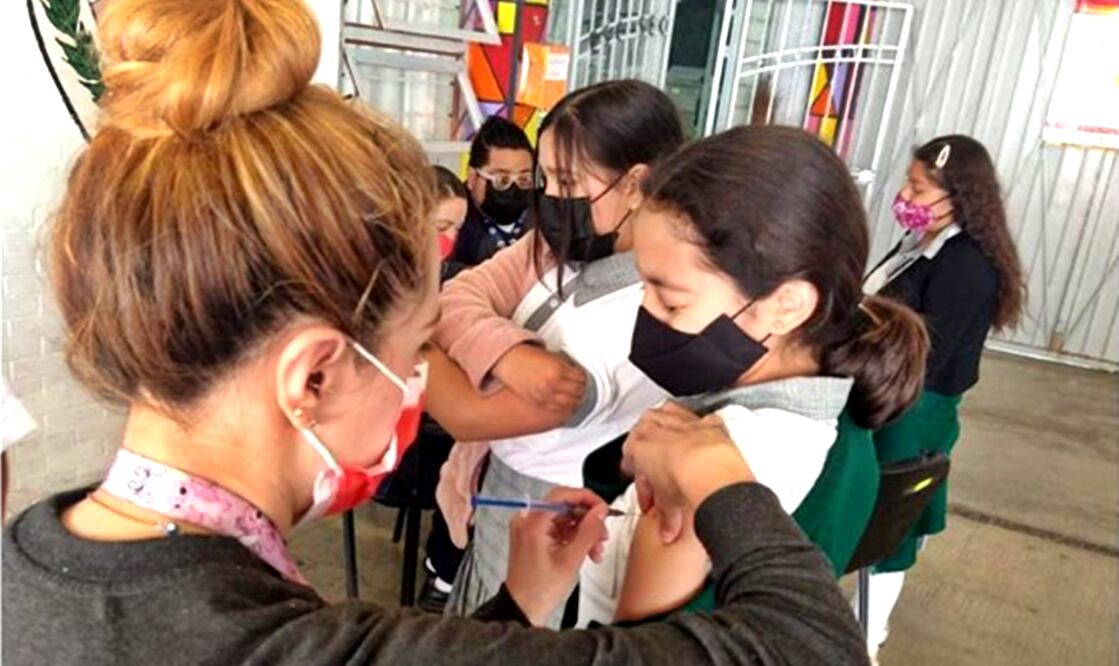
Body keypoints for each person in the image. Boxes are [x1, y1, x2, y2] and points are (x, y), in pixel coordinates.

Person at [1, 1, 872, 663]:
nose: (424, 379)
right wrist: (714, 471)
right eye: (418, 347)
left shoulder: (26, 565)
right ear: (313, 376)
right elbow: (806, 642)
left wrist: (516, 604)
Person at [576, 125, 931, 627]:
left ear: (786, 306)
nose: (645, 311)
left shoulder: (715, 461)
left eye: (670, 298)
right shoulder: (847, 416)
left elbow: (633, 653)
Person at [423, 80, 686, 626]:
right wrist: (507, 354)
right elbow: (460, 295)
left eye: (566, 180)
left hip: (555, 511)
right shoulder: (556, 243)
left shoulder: (653, 304)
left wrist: (410, 341)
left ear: (636, 183)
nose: (546, 196)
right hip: (499, 486)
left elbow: (470, 414)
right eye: (544, 178)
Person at [859, 135, 1025, 662]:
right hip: (888, 397)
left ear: (959, 195)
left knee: (890, 528)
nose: (905, 193)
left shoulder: (964, 266)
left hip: (915, 407)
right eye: (908, 180)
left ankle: (866, 637)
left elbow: (928, 351)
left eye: (918, 186)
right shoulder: (919, 244)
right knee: (869, 512)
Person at [451, 116, 535, 267]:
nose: (513, 189)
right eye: (501, 180)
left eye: (524, 179)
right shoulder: (451, 216)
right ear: (472, 177)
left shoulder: (546, 216)